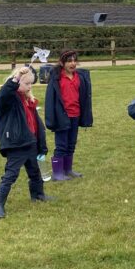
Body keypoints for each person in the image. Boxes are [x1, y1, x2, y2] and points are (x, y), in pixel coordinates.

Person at [0, 66, 52, 219]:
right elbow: (4, 93)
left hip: (31, 142)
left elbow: (35, 123)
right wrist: (17, 77)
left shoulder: (28, 100)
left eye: (31, 84)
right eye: (26, 83)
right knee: (10, 175)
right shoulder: (9, 99)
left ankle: (38, 195)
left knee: (35, 172)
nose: (29, 86)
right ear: (17, 82)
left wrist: (41, 144)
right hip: (17, 145)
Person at [44, 50, 93, 181]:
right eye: (69, 61)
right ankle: (57, 173)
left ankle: (68, 170)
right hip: (62, 117)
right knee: (61, 145)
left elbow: (84, 97)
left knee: (71, 143)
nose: (73, 63)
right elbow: (50, 101)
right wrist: (51, 119)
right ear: (62, 63)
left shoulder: (80, 77)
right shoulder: (56, 79)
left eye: (74, 60)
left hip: (75, 115)